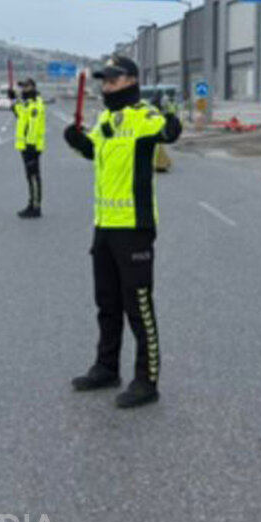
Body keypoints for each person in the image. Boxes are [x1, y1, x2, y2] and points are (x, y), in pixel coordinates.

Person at [63, 56, 181, 409]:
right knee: (107, 303)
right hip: (105, 226)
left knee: (139, 307)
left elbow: (168, 132)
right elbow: (93, 151)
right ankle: (106, 367)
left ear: (130, 80)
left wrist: (171, 118)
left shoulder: (142, 115)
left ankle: (147, 380)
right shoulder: (106, 118)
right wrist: (77, 140)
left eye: (113, 81)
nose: (106, 86)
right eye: (104, 81)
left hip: (134, 228)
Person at [9, 78, 46, 219]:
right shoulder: (28, 103)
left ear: (32, 87)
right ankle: (32, 204)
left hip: (32, 146)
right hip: (26, 146)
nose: (23, 89)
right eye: (22, 87)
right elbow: (20, 114)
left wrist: (32, 147)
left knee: (34, 177)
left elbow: (33, 126)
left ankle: (36, 207)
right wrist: (13, 100)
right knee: (30, 177)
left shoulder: (36, 104)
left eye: (25, 86)